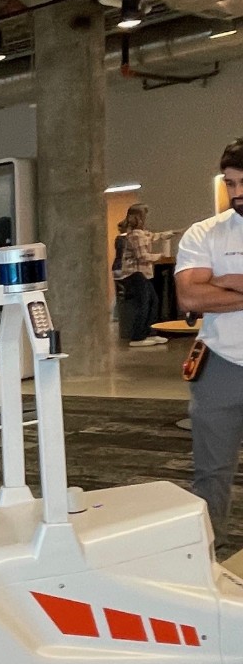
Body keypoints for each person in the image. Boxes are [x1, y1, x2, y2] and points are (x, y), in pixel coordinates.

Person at [175, 138, 243, 547]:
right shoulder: (205, 234)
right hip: (219, 365)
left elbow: (206, 291)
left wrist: (225, 283)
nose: (237, 194)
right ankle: (210, 556)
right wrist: (209, 289)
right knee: (211, 474)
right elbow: (191, 297)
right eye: (231, 184)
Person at [118, 203, 171, 347]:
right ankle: (137, 337)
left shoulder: (140, 233)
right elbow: (143, 256)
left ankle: (148, 333)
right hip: (134, 274)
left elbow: (151, 236)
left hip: (140, 274)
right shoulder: (135, 234)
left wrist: (167, 234)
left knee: (153, 301)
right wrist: (159, 256)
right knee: (144, 304)